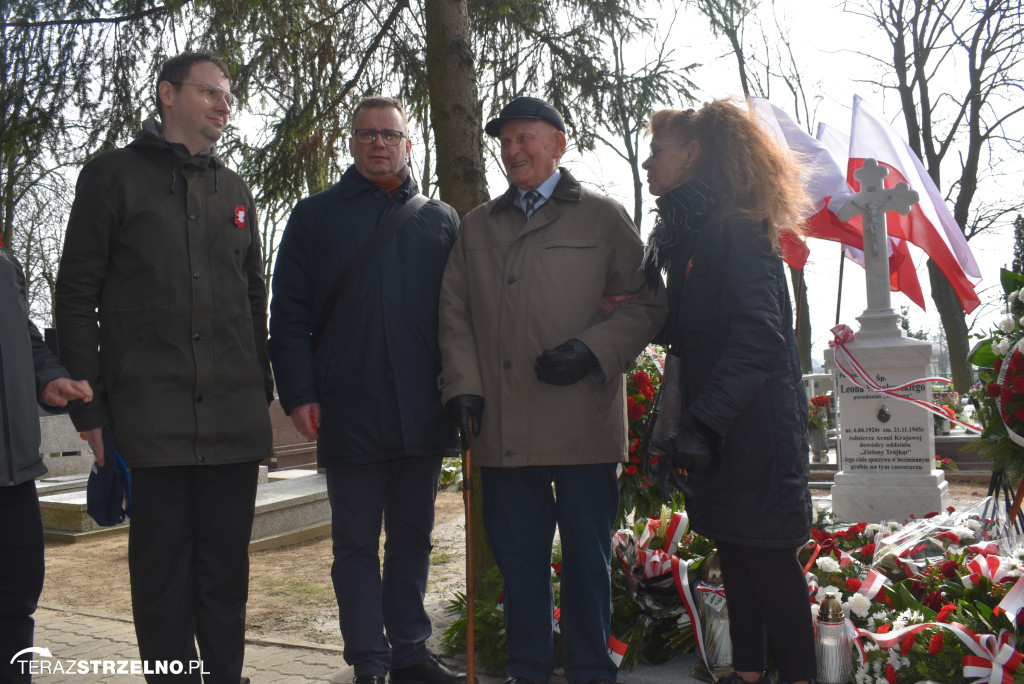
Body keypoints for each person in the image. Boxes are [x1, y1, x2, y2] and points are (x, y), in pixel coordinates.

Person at [55, 52, 274, 683]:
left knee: (226, 579)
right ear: (167, 94)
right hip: (150, 427)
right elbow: (75, 297)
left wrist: (260, 388)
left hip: (232, 423)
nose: (222, 104)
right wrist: (90, 412)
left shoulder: (235, 190)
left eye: (228, 95)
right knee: (162, 585)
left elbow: (252, 297)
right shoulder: (111, 177)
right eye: (208, 92)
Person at [438, 96, 667, 684]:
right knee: (520, 563)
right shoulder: (477, 226)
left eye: (525, 138)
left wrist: (592, 350)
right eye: (505, 142)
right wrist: (462, 388)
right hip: (505, 428)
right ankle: (528, 669)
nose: (513, 150)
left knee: (588, 561)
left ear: (558, 143)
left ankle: (591, 670)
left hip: (582, 421)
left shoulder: (604, 216)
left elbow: (648, 303)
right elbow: (454, 314)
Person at [268, 96, 466, 684]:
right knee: (354, 543)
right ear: (351, 144)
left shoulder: (441, 219)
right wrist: (298, 392)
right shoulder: (314, 216)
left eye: (390, 134)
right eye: (366, 134)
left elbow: (461, 315)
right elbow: (290, 314)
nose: (379, 143)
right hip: (347, 409)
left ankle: (408, 650)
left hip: (422, 411)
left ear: (409, 144)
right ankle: (369, 661)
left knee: (413, 537)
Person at [640, 100, 814, 684]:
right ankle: (748, 673)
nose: (646, 163)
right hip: (724, 428)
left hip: (752, 430)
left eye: (656, 151)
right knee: (737, 554)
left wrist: (703, 423)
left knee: (766, 559)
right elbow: (703, 331)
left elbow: (760, 336)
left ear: (691, 155)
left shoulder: (734, 226)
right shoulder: (693, 235)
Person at [1, 242, 93, 683]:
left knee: (17, 598)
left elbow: (23, 334)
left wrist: (47, 377)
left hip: (13, 469)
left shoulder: (3, 258)